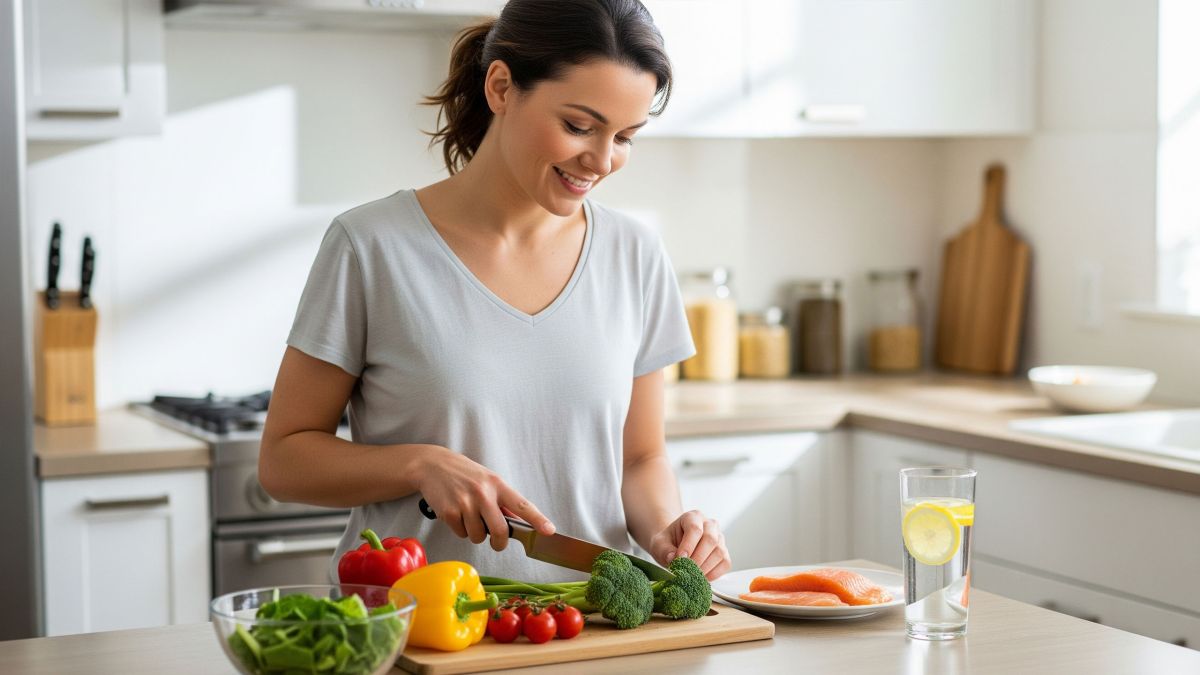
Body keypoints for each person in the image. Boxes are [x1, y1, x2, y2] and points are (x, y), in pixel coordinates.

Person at [260, 0, 732, 584]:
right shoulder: (372, 246)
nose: (602, 160)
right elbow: (284, 460)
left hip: (591, 630)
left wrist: (665, 530)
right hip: (420, 630)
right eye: (579, 126)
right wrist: (419, 463)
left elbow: (639, 459)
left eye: (626, 136)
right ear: (502, 87)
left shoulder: (634, 253)